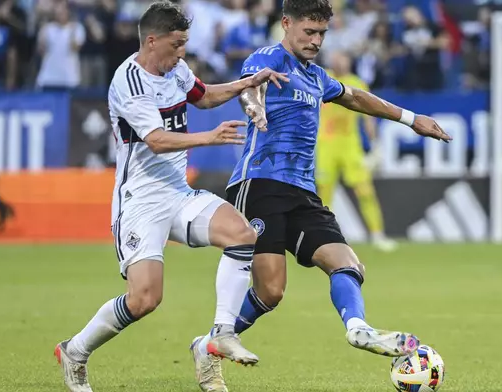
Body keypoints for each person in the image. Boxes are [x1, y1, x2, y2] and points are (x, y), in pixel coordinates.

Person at [190, 1, 451, 391]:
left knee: (348, 263)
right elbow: (251, 89)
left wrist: (412, 120)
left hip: (302, 190)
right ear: (286, 24)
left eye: (321, 34)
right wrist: (255, 109)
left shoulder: (317, 77)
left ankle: (358, 327)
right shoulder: (267, 57)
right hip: (260, 183)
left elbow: (355, 97)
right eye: (308, 32)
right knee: (271, 291)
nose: (315, 41)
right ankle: (210, 343)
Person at [53, 2, 288, 391]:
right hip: (140, 202)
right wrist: (208, 137)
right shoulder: (127, 82)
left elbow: (203, 96)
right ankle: (75, 350)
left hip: (177, 193)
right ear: (152, 40)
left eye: (185, 45)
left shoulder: (175, 68)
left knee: (242, 234)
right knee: (144, 299)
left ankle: (222, 333)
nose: (182, 53)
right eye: (177, 44)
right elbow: (157, 140)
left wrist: (244, 84)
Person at [316, 50, 397, 252]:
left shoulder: (357, 83)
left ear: (350, 62)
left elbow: (368, 117)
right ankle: (324, 237)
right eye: (336, 58)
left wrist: (376, 145)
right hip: (325, 145)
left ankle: (378, 235)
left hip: (351, 146)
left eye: (343, 58)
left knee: (365, 190)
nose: (339, 61)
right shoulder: (321, 77)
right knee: (324, 195)